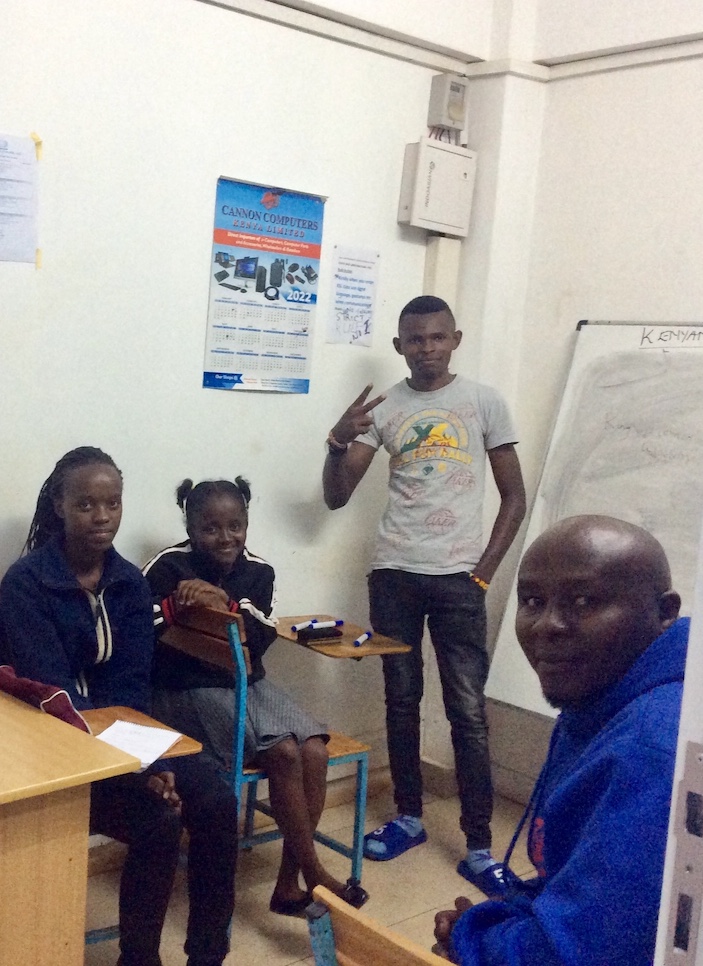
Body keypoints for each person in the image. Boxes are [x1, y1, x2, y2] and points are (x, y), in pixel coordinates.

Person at [0, 447, 237, 966]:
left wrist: (148, 761)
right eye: (85, 504)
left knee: (217, 802)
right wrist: (136, 771)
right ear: (59, 506)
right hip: (55, 754)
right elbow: (55, 696)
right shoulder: (25, 584)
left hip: (125, 740)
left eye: (112, 503)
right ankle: (139, 959)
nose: (102, 516)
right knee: (159, 819)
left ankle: (208, 953)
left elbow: (131, 687)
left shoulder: (129, 583)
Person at [323, 295, 526, 896]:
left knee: (467, 711)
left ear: (455, 340)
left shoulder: (484, 402)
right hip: (394, 574)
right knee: (401, 701)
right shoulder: (385, 408)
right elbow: (337, 496)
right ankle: (409, 818)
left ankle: (479, 847)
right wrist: (335, 441)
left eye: (438, 337)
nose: (427, 348)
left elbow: (514, 497)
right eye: (415, 339)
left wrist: (482, 573)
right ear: (400, 346)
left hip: (460, 579)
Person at [433, 514, 686, 966]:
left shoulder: (651, 750)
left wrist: (472, 938)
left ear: (664, 613)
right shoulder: (601, 696)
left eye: (584, 601)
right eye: (532, 601)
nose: (546, 625)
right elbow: (573, 879)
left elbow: (574, 956)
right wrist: (499, 922)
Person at [142, 477, 368, 915]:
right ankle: (315, 873)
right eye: (210, 528)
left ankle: (287, 885)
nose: (225, 538)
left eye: (236, 526)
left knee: (315, 750)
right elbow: (138, 626)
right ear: (190, 528)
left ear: (247, 524)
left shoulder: (259, 571)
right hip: (184, 688)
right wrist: (178, 605)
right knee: (282, 752)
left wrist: (222, 600)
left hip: (247, 680)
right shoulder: (167, 566)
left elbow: (261, 638)